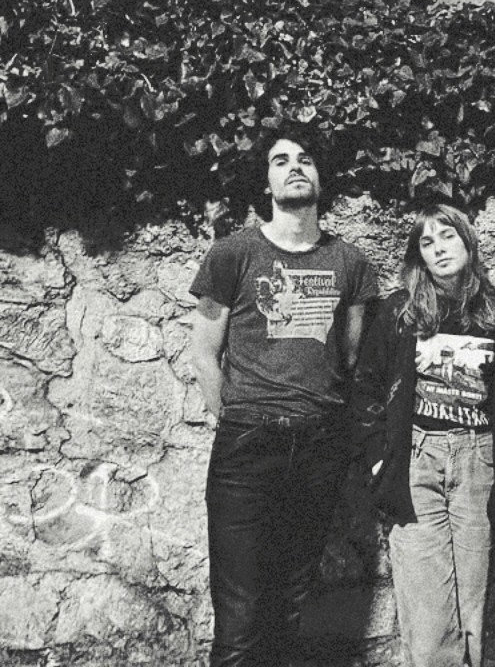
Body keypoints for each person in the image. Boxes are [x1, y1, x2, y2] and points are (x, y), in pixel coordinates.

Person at [189, 133, 379, 666]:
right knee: (239, 617)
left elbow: (350, 358)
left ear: (320, 177)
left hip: (319, 447)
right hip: (248, 448)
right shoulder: (232, 254)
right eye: (281, 161)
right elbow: (204, 355)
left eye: (306, 159)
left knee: (292, 607)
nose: (295, 167)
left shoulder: (351, 262)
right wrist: (238, 419)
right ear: (266, 182)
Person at [351, 204, 495, 667]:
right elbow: (365, 386)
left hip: (478, 460)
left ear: (468, 243)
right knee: (427, 618)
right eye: (427, 242)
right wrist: (380, 460)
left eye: (448, 236)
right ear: (418, 256)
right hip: (415, 458)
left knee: (473, 605)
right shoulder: (398, 312)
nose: (439, 249)